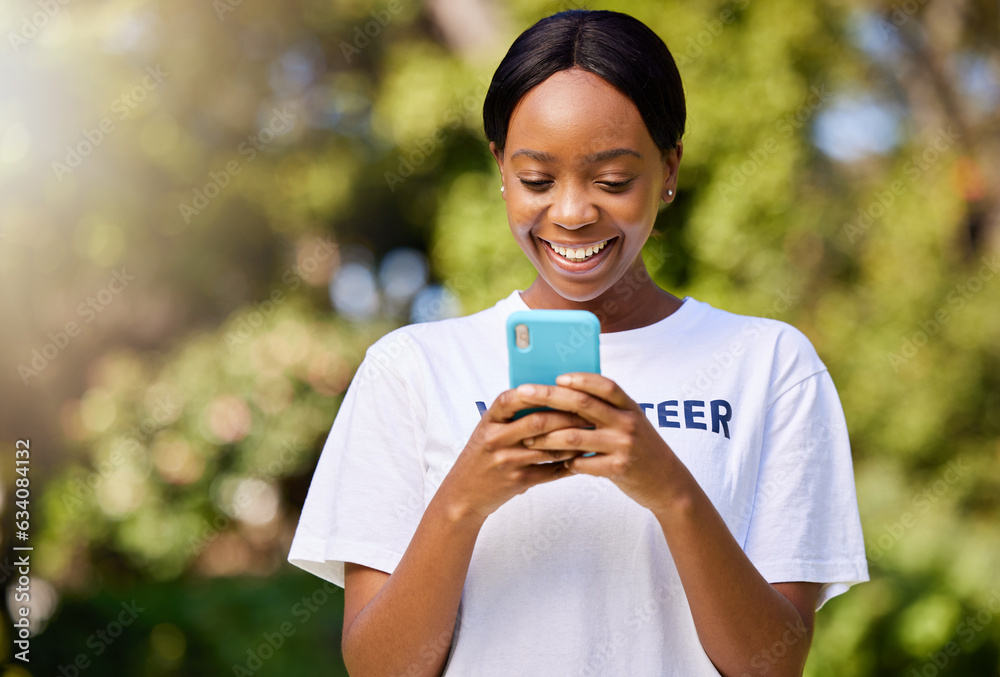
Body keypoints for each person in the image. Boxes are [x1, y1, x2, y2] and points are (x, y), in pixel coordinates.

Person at [289, 9, 868, 676]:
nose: (571, 212)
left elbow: (772, 665)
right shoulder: (411, 369)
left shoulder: (771, 364)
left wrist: (670, 489)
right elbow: (378, 669)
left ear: (669, 167)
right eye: (537, 178)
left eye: (613, 180)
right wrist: (464, 499)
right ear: (500, 169)